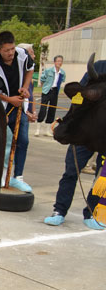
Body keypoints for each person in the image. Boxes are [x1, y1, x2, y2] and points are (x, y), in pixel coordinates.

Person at [44, 59, 106, 231]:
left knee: (101, 176)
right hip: (84, 131)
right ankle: (59, 211)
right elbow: (79, 98)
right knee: (71, 171)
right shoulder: (99, 67)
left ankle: (91, 212)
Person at [0, 31, 34, 193]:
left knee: (23, 140)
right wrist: (10, 99)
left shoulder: (22, 54)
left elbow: (30, 69)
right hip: (4, 107)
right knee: (6, 142)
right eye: (6, 50)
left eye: (12, 49)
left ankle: (18, 177)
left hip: (20, 105)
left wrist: (25, 86)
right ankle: (2, 175)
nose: (10, 53)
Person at [36, 55, 66, 137]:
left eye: (61, 61)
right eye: (58, 61)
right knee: (43, 109)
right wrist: (44, 87)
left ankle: (47, 130)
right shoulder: (48, 71)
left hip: (55, 92)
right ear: (55, 62)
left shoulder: (62, 73)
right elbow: (42, 79)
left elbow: (62, 80)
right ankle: (38, 129)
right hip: (47, 91)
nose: (59, 63)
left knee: (52, 110)